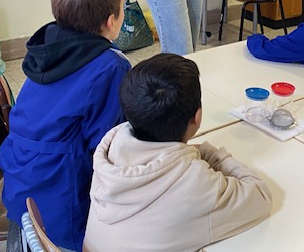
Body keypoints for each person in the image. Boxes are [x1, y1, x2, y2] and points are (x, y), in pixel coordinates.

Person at [0, 0, 131, 252]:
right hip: (61, 204)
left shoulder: (47, 46)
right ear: (111, 21)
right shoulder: (111, 66)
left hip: (21, 185)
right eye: (123, 7)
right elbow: (108, 146)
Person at [84, 54, 272, 252]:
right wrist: (209, 153)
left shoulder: (113, 146)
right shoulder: (194, 182)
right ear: (197, 117)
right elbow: (261, 197)